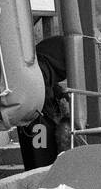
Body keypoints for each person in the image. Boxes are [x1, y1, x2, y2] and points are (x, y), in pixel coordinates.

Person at [18, 35, 69, 170]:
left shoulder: (48, 63)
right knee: (41, 152)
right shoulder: (41, 69)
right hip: (35, 113)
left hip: (31, 107)